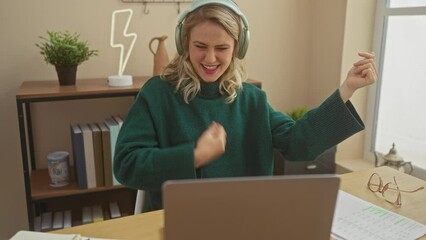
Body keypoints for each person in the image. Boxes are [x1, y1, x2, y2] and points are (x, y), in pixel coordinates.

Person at [113, 0, 377, 212]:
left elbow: (300, 144)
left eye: (222, 48)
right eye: (200, 46)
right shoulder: (157, 94)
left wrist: (348, 88)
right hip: (184, 221)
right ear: (184, 44)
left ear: (238, 48)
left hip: (249, 218)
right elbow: (127, 165)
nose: (210, 58)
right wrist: (193, 155)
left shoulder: (252, 99)